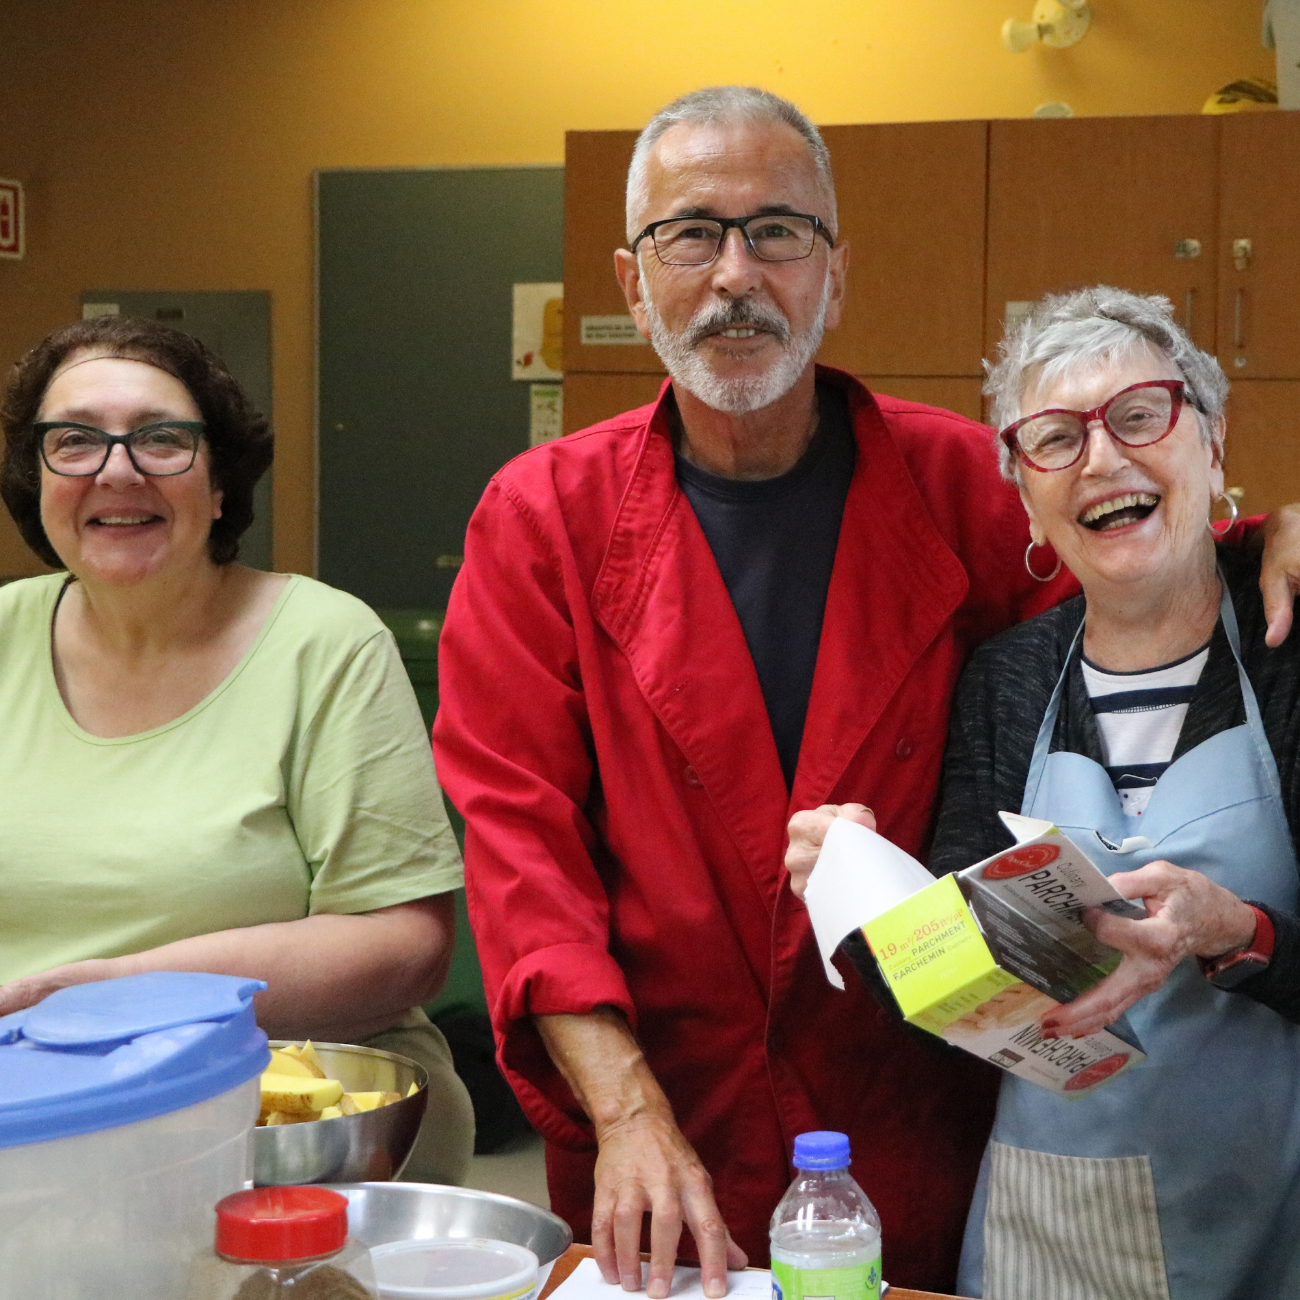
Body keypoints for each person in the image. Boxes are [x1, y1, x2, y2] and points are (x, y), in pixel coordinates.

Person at [432, 87, 1300, 1297]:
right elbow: (520, 847)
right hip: (654, 1124)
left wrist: (1264, 537)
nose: (737, 272)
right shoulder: (541, 522)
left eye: (779, 231)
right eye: (693, 233)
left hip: (914, 1123)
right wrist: (624, 1107)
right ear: (635, 284)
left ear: (834, 275)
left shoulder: (958, 481)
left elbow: (1128, 563)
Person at [788, 287, 1300, 1300]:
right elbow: (940, 995)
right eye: (1054, 439)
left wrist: (1233, 928)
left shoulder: (1289, 660)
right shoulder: (1008, 680)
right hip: (1050, 1228)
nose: (1102, 460)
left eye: (1140, 415)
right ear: (1025, 497)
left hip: (1272, 1217)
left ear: (1212, 439)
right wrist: (857, 885)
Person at [0, 315, 475, 1185]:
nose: (117, 467)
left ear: (220, 484)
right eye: (74, 441)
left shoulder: (323, 644)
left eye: (162, 439)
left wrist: (121, 996)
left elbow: (406, 944)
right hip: (31, 1125)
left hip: (288, 1132)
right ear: (35, 482)